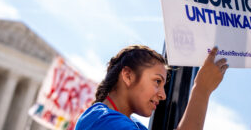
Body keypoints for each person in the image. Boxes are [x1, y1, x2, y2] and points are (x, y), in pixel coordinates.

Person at [75, 45, 228, 130]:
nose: (163, 95)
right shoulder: (103, 120)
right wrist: (201, 90)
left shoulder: (132, 124)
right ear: (128, 76)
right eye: (157, 81)